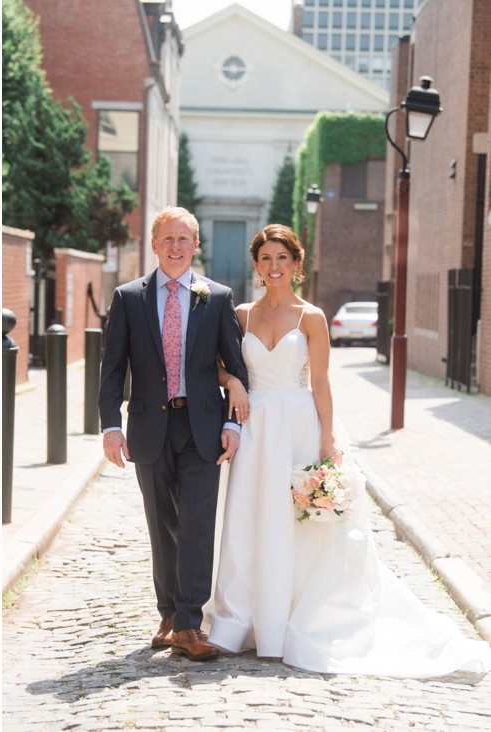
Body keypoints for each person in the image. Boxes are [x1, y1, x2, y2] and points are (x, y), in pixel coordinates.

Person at [209, 223, 491, 676]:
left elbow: (320, 382)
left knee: (301, 523)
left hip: (299, 425)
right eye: (266, 259)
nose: (274, 266)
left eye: (282, 258)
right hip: (255, 426)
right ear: (256, 266)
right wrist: (235, 381)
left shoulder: (312, 317)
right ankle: (241, 619)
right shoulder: (240, 314)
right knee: (248, 517)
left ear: (296, 264)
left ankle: (291, 619)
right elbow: (220, 366)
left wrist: (327, 441)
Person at [99, 206, 249, 661]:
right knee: (161, 526)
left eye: (185, 239)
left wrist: (232, 423)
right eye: (168, 238)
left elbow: (236, 368)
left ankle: (189, 623)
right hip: (149, 426)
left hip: (202, 426)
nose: (176, 247)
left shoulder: (217, 297)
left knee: (197, 526)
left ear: (196, 245)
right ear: (154, 243)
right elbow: (112, 369)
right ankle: (167, 613)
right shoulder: (128, 298)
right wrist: (110, 424)